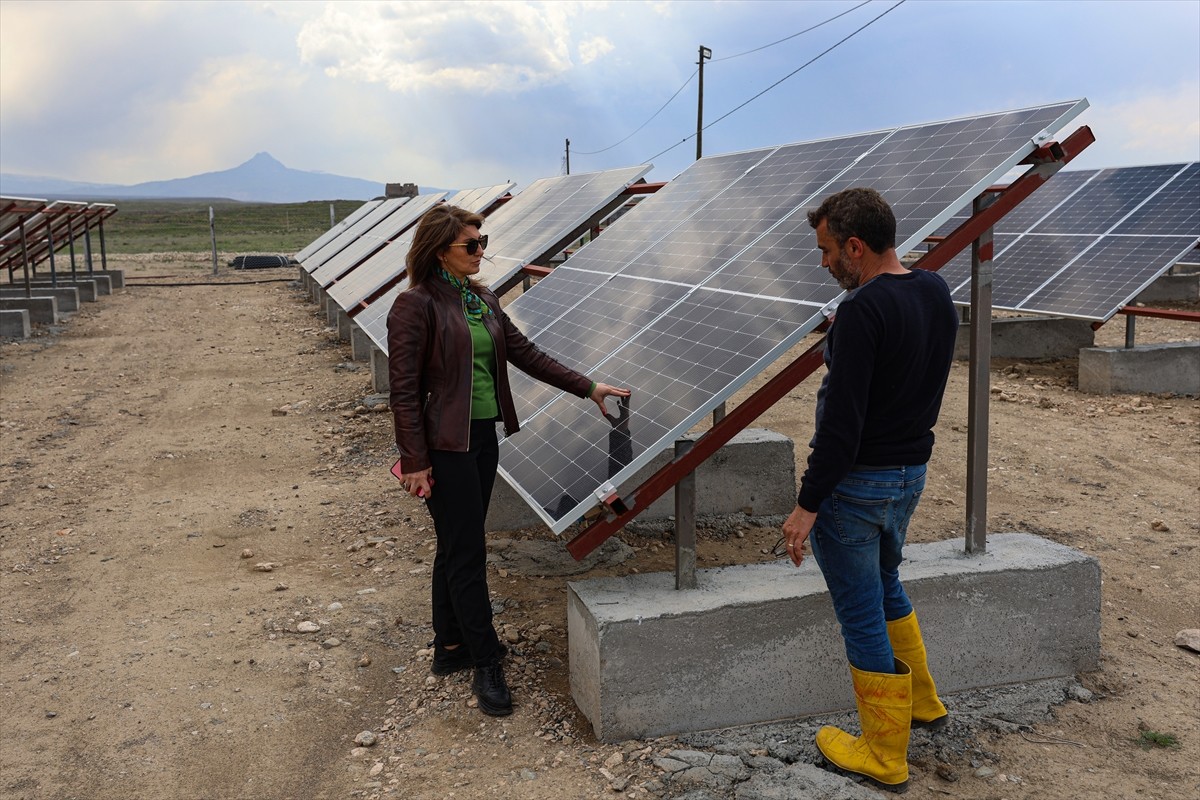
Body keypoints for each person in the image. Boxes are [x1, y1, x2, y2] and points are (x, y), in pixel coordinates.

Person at [387, 204, 630, 717]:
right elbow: (403, 391)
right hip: (443, 445)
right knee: (468, 552)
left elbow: (527, 354)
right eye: (470, 245)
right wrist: (414, 460)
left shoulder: (482, 300)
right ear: (440, 250)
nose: (481, 252)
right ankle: (485, 661)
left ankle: (450, 647)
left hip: (482, 436)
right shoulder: (415, 305)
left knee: (455, 545)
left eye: (482, 241)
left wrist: (588, 387)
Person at [781, 187, 958, 793]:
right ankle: (923, 703)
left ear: (855, 246)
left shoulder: (860, 310)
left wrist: (807, 505)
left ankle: (884, 754)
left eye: (828, 250)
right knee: (886, 583)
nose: (823, 261)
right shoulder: (934, 290)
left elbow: (841, 424)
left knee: (860, 613)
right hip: (909, 475)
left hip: (855, 489)